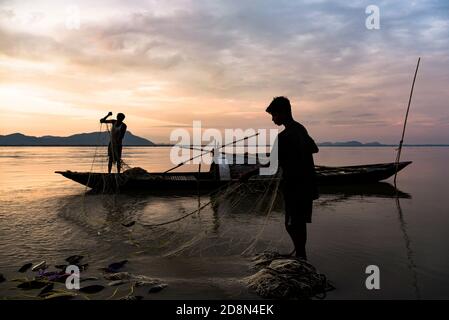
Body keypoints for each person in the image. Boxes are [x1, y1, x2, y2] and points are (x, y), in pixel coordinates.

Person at [266, 96, 319, 260]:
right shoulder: (300, 129)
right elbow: (314, 148)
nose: (273, 119)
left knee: (291, 224)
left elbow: (271, 164)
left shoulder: (285, 136)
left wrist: (247, 174)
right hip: (307, 183)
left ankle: (301, 255)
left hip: (295, 186)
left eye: (274, 115)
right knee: (299, 222)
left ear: (282, 113)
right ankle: (301, 253)